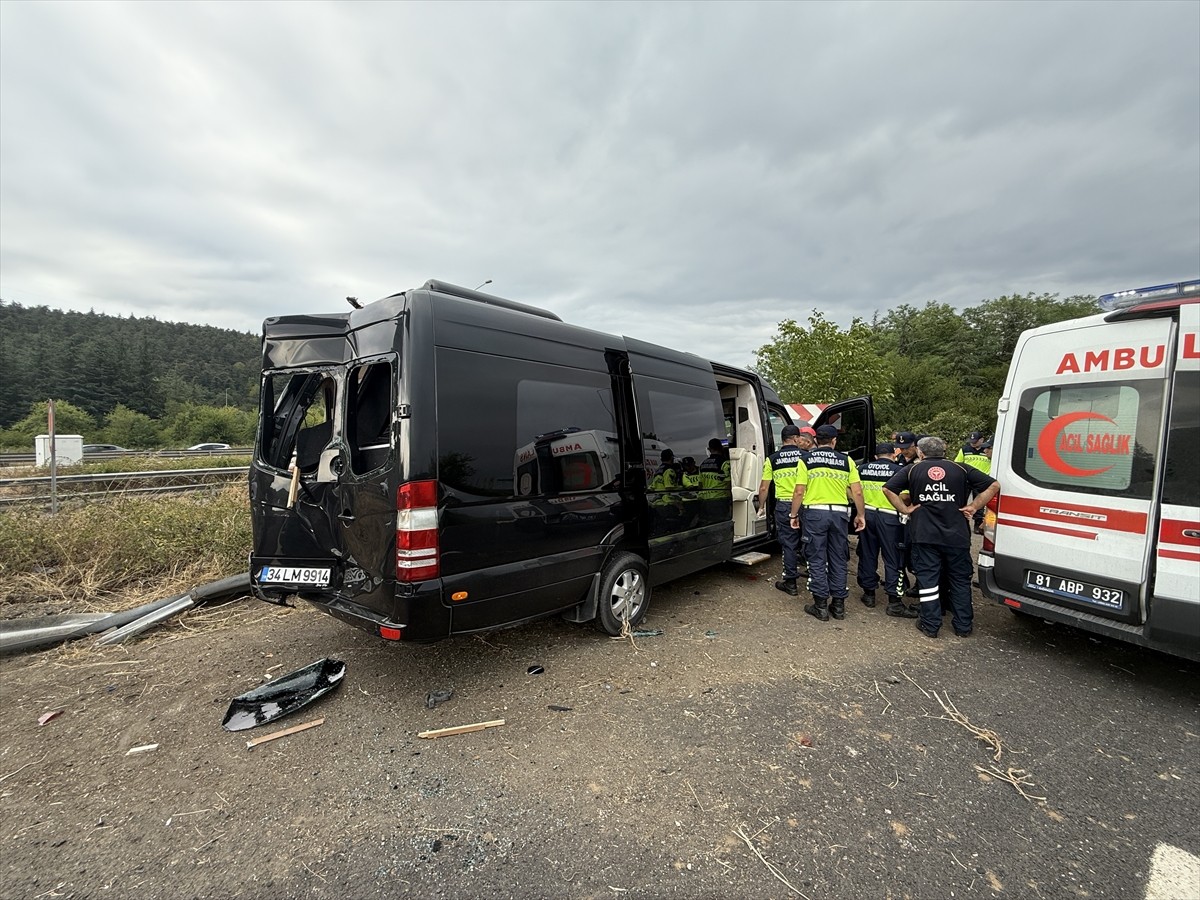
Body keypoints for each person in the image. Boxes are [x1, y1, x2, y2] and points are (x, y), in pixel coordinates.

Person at [882, 436, 999, 639]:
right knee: (960, 580)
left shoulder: (913, 469)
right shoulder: (960, 468)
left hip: (924, 534)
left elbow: (887, 488)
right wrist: (974, 506)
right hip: (956, 535)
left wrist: (905, 509)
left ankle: (930, 624)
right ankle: (963, 626)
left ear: (920, 452)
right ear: (944, 451)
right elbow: (994, 485)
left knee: (928, 579)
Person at [789, 424, 866, 622]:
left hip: (814, 514)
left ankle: (820, 605)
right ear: (834, 441)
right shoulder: (846, 460)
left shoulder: (805, 460)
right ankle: (838, 606)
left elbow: (799, 491)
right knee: (839, 558)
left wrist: (793, 515)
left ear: (816, 441)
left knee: (816, 557)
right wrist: (861, 515)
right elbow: (857, 491)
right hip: (839, 514)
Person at [856, 443, 918, 619]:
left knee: (867, 553)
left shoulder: (862, 469)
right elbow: (905, 496)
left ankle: (869, 594)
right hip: (890, 517)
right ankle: (894, 601)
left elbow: (853, 490)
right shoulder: (900, 470)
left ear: (875, 456)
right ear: (893, 454)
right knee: (893, 558)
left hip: (867, 515)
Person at [757, 424, 809, 596]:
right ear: (795, 438)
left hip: (785, 505)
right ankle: (814, 579)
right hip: (807, 504)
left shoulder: (773, 459)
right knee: (811, 541)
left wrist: (761, 506)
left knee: (788, 544)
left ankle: (791, 582)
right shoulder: (807, 457)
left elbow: (764, 488)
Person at [957, 438, 992, 534]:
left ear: (981, 440)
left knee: (979, 502)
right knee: (961, 501)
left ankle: (978, 523)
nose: (973, 443)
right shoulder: (965, 449)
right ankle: (961, 521)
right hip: (966, 479)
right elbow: (958, 463)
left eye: (975, 441)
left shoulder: (987, 451)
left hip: (981, 480)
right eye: (972, 441)